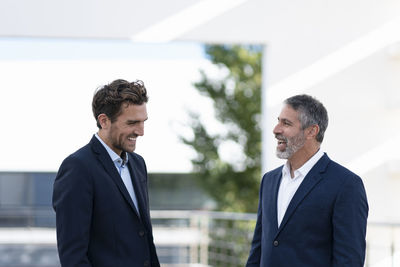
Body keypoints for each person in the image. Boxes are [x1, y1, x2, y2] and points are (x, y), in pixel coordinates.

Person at [246, 94, 368, 267]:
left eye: (286, 123)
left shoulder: (346, 185)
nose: (276, 129)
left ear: (311, 131)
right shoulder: (269, 180)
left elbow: (349, 261)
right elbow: (258, 249)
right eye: (278, 121)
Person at [53, 79, 160, 267]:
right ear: (104, 121)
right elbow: (73, 258)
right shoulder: (78, 168)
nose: (141, 132)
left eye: (143, 122)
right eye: (132, 122)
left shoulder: (138, 164)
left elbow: (144, 237)